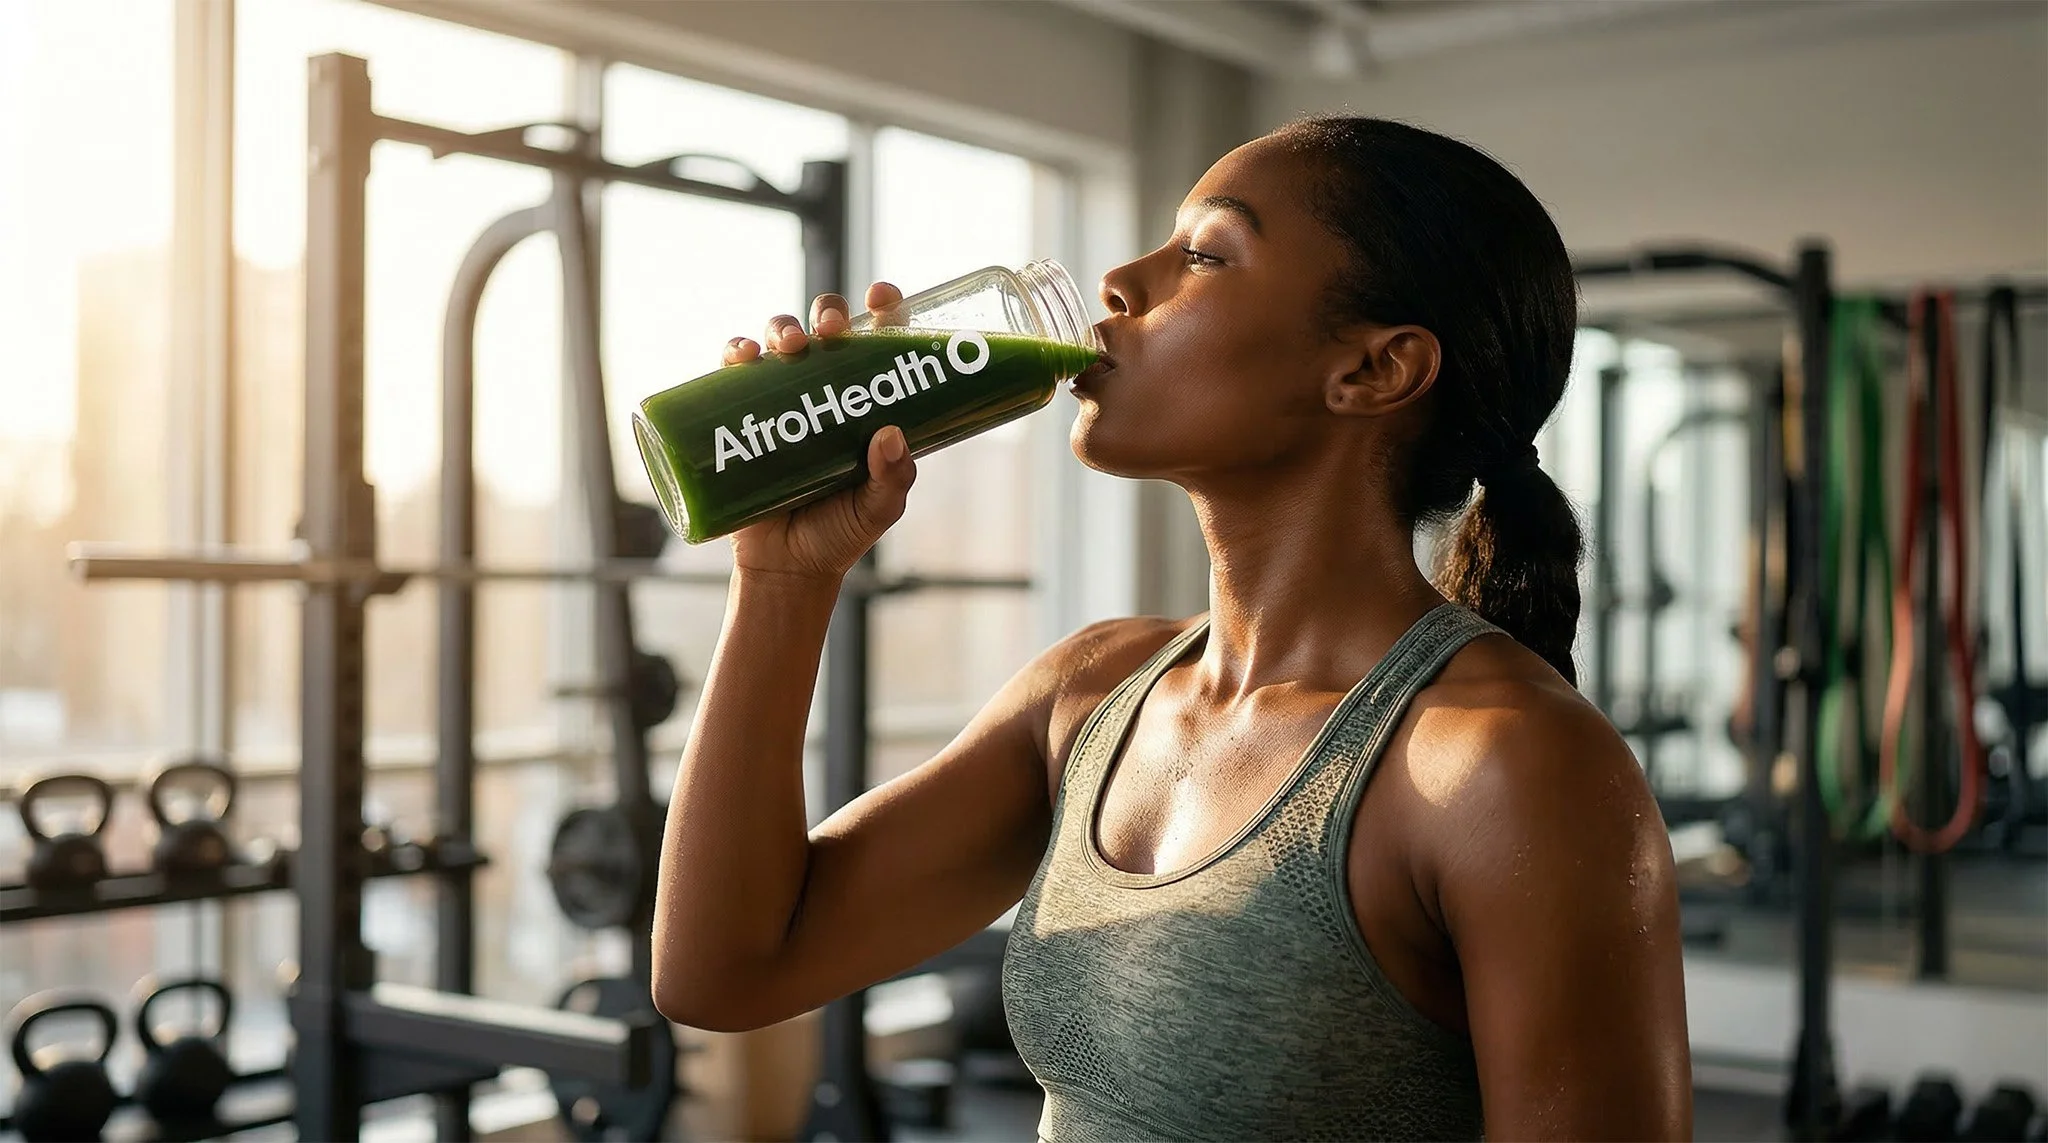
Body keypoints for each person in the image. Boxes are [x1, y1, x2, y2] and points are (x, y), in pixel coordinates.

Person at [652, 117, 1692, 1141]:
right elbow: (724, 970)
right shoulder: (1089, 692)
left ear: (1373, 371)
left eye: (1202, 253)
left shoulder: (1502, 766)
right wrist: (784, 579)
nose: (1119, 279)